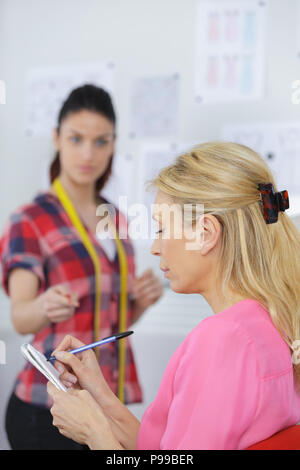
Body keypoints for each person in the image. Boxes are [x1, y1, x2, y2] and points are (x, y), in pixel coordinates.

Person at [47, 141, 300, 450]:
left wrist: (91, 430)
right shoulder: (272, 321)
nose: (155, 247)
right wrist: (98, 392)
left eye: (163, 229)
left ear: (205, 234)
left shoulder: (223, 339)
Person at [0, 84, 163, 450]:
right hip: (49, 407)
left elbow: (107, 321)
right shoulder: (30, 219)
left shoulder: (113, 217)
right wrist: (43, 306)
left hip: (104, 401)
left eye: (101, 141)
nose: (88, 153)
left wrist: (139, 303)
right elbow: (21, 318)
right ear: (57, 139)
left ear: (113, 144)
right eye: (76, 139)